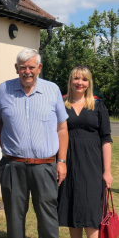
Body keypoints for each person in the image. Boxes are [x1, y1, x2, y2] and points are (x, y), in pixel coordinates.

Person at [0, 48, 69, 238]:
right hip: (13, 166)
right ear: (16, 68)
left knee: (48, 217)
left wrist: (61, 161)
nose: (27, 71)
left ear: (39, 67)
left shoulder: (52, 90)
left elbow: (62, 129)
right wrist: (8, 148)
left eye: (31, 67)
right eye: (23, 67)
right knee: (14, 217)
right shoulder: (4, 89)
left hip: (45, 166)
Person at [58, 66, 112, 238]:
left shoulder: (98, 106)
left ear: (89, 83)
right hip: (69, 164)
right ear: (70, 81)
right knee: (72, 207)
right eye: (76, 78)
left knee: (91, 211)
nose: (79, 82)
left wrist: (108, 171)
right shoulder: (61, 105)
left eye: (84, 79)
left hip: (92, 166)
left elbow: (106, 139)